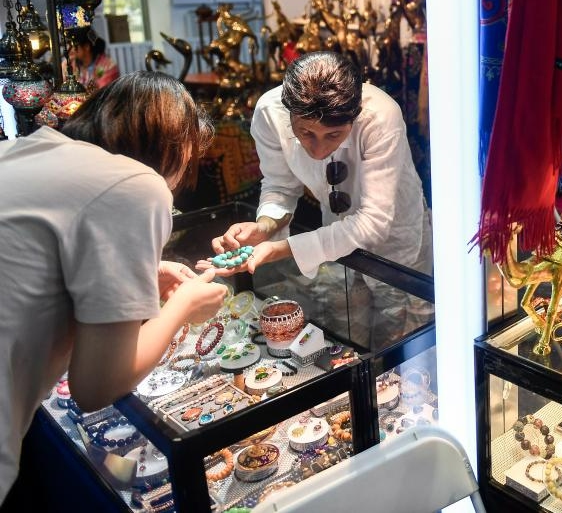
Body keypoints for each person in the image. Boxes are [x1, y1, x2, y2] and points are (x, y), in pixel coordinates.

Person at [0, 72, 228, 507]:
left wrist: (141, 272)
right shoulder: (138, 185)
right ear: (177, 147)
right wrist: (182, 305)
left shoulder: (29, 149)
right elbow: (96, 386)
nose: (176, 187)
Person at [206, 51, 432, 334]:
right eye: (305, 133)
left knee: (399, 333)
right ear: (289, 114)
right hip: (334, 234)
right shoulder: (269, 113)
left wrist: (278, 250)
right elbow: (280, 186)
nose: (318, 150)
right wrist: (264, 227)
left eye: (333, 136)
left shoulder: (380, 116)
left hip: (397, 238)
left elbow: (374, 223)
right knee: (349, 328)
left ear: (355, 115)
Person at [67, 25, 119, 91]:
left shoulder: (108, 66)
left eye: (72, 45)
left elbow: (102, 94)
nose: (69, 49)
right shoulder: (70, 65)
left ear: (86, 47)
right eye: (68, 44)